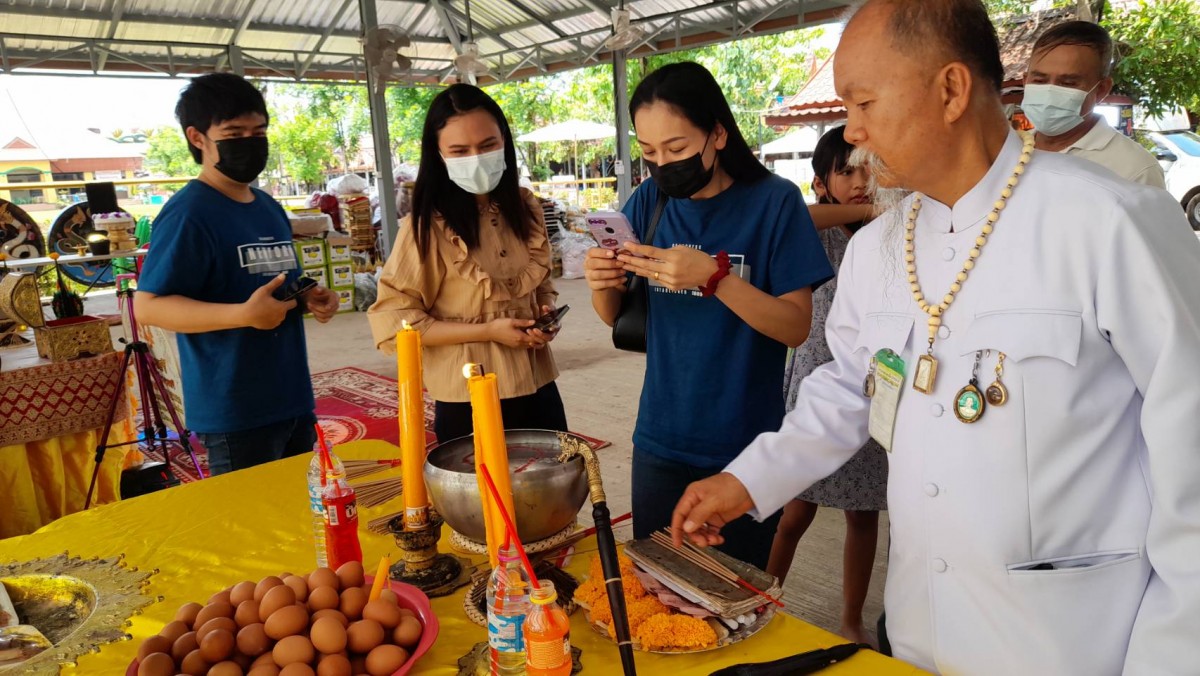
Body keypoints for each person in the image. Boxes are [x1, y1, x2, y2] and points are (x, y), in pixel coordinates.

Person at [670, 1, 1200, 674]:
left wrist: (1174, 655)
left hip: (1074, 639)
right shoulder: (880, 247)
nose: (852, 131)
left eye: (863, 102)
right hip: (920, 629)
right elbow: (852, 388)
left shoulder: (1109, 221)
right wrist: (749, 480)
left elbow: (1191, 443)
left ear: (950, 90)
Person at [583, 61, 833, 570]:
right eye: (649, 152)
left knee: (734, 596)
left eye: (676, 149)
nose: (662, 164)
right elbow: (616, 317)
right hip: (660, 437)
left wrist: (714, 279)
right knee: (658, 584)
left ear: (718, 133)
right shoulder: (651, 199)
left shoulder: (773, 203)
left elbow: (795, 325)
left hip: (745, 447)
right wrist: (600, 282)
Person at [135, 73, 340, 476]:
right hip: (234, 409)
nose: (250, 141)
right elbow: (149, 306)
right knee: (252, 527)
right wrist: (242, 316)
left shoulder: (267, 205)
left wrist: (309, 297)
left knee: (302, 514)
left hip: (292, 394)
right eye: (234, 132)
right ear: (198, 138)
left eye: (258, 130)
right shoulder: (189, 213)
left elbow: (277, 285)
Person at [367, 84, 565, 443]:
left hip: (538, 385)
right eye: (460, 151)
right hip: (468, 396)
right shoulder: (426, 228)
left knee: (554, 490)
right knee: (477, 497)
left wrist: (544, 316)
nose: (476, 158)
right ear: (439, 155)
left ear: (504, 139)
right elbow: (397, 322)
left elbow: (541, 284)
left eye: (487, 145)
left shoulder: (525, 209)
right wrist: (487, 332)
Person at [767, 126, 886, 646]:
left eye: (868, 169)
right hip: (816, 380)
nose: (860, 182)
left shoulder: (892, 232)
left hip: (874, 388)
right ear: (820, 182)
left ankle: (851, 619)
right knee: (794, 511)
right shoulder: (816, 229)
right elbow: (794, 216)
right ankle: (766, 600)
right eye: (846, 171)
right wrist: (864, 212)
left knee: (864, 516)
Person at [1023, 20, 1165, 187]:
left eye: (1068, 83)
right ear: (1025, 81)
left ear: (1101, 90)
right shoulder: (1008, 151)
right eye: (1039, 80)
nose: (1049, 91)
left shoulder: (1136, 170)